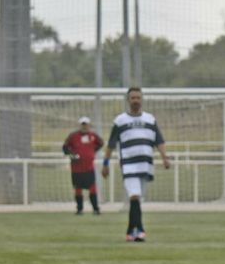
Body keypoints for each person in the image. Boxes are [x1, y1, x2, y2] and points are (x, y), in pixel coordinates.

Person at [101, 87, 170, 241]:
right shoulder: (120, 121)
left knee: (137, 199)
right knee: (134, 196)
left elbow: (159, 140)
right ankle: (139, 231)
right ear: (128, 100)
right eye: (133, 98)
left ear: (142, 99)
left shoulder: (150, 119)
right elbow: (111, 144)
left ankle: (130, 231)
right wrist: (105, 164)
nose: (136, 101)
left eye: (138, 98)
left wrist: (165, 157)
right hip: (129, 165)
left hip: (145, 165)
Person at [62, 115, 104, 215]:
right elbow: (65, 148)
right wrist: (72, 155)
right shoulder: (73, 136)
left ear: (89, 125)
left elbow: (101, 143)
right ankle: (79, 209)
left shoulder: (93, 136)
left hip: (89, 168)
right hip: (76, 168)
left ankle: (95, 209)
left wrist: (93, 151)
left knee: (92, 187)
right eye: (83, 124)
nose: (84, 126)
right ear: (80, 125)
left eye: (86, 125)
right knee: (78, 188)